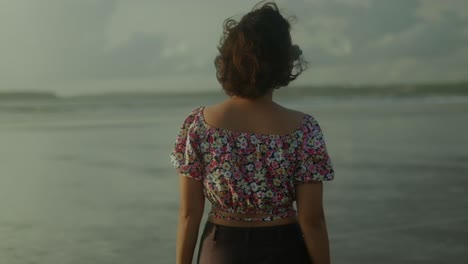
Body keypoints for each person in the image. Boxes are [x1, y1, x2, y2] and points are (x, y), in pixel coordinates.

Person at [170, 2, 335, 263]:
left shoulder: (199, 124)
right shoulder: (304, 129)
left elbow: (189, 214)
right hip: (284, 249)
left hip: (221, 249)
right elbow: (312, 219)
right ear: (283, 63)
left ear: (228, 62)